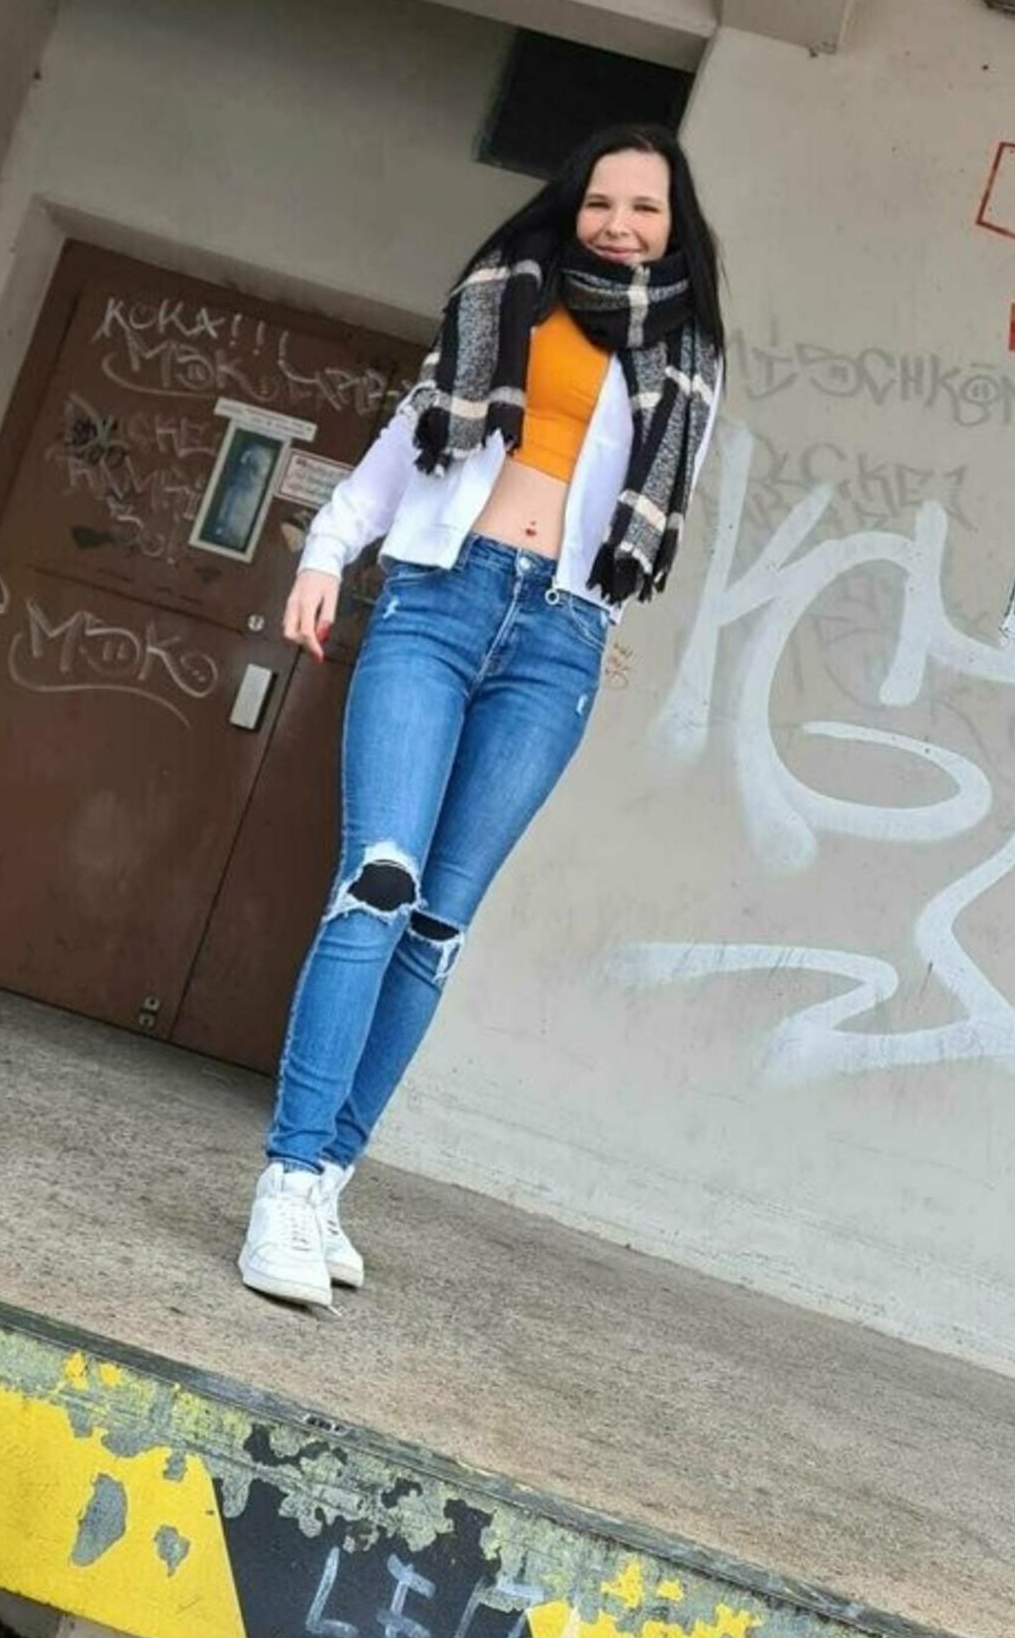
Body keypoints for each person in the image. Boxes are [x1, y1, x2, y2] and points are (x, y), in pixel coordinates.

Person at [238, 122, 726, 1309]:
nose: (620, 224)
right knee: (378, 883)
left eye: (645, 208)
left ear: (676, 226)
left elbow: (644, 512)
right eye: (602, 202)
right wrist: (327, 550)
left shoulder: (690, 358)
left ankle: (331, 1177)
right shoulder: (505, 296)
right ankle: (284, 1181)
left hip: (558, 640)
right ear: (572, 206)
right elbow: (408, 443)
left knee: (438, 925)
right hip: (438, 604)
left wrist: (594, 624)